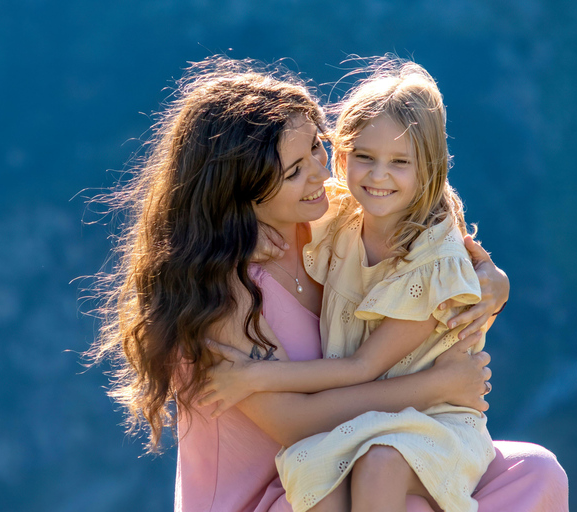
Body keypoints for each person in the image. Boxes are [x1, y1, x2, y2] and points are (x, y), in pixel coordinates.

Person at [87, 56, 568, 512]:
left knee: (539, 474)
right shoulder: (219, 292)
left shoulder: (324, 224)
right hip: (273, 493)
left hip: (347, 457)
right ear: (242, 188)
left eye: (317, 146)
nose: (322, 172)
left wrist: (492, 285)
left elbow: (423, 262)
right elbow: (295, 424)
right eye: (296, 171)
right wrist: (435, 386)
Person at [200, 58, 502, 512]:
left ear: (429, 168)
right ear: (345, 153)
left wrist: (257, 375)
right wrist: (247, 228)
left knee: (378, 466)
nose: (377, 176)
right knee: (317, 471)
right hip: (365, 419)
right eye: (364, 157)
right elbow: (264, 203)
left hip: (435, 419)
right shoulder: (342, 215)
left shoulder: (431, 263)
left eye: (399, 162)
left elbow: (363, 366)